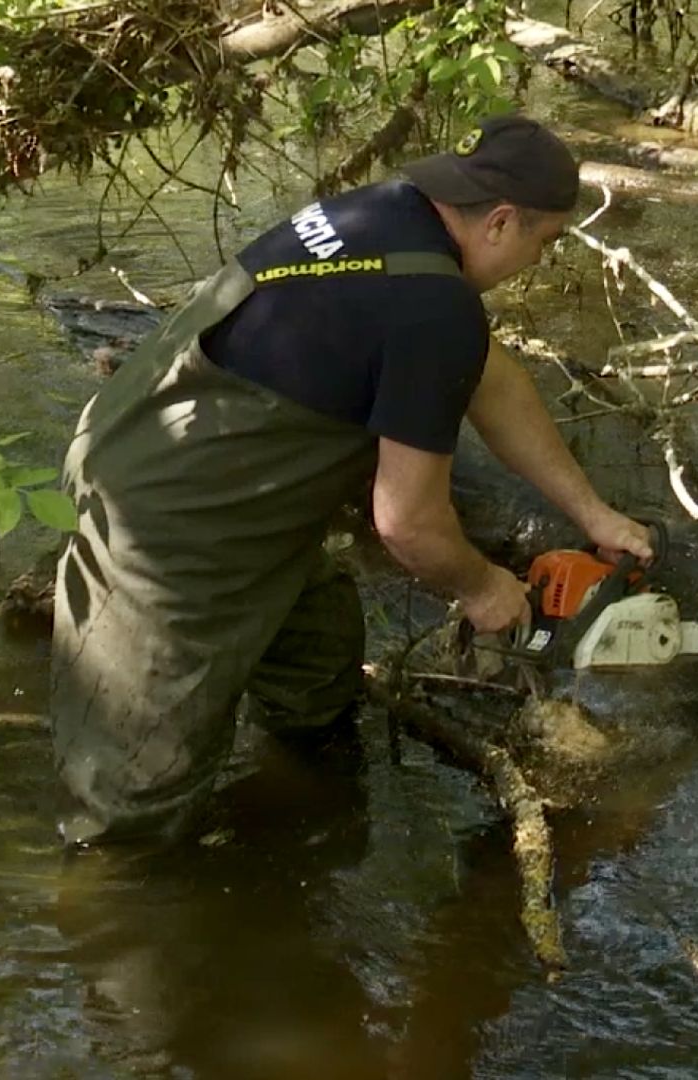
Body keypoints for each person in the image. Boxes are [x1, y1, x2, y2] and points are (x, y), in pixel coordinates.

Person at [49, 114, 653, 846]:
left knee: (317, 672)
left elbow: (492, 382)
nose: (539, 260)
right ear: (500, 221)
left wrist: (593, 515)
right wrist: (484, 588)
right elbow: (408, 524)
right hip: (164, 525)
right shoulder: (432, 307)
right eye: (544, 242)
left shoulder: (384, 215)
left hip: (163, 441)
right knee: (129, 811)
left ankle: (297, 832)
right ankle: (130, 888)